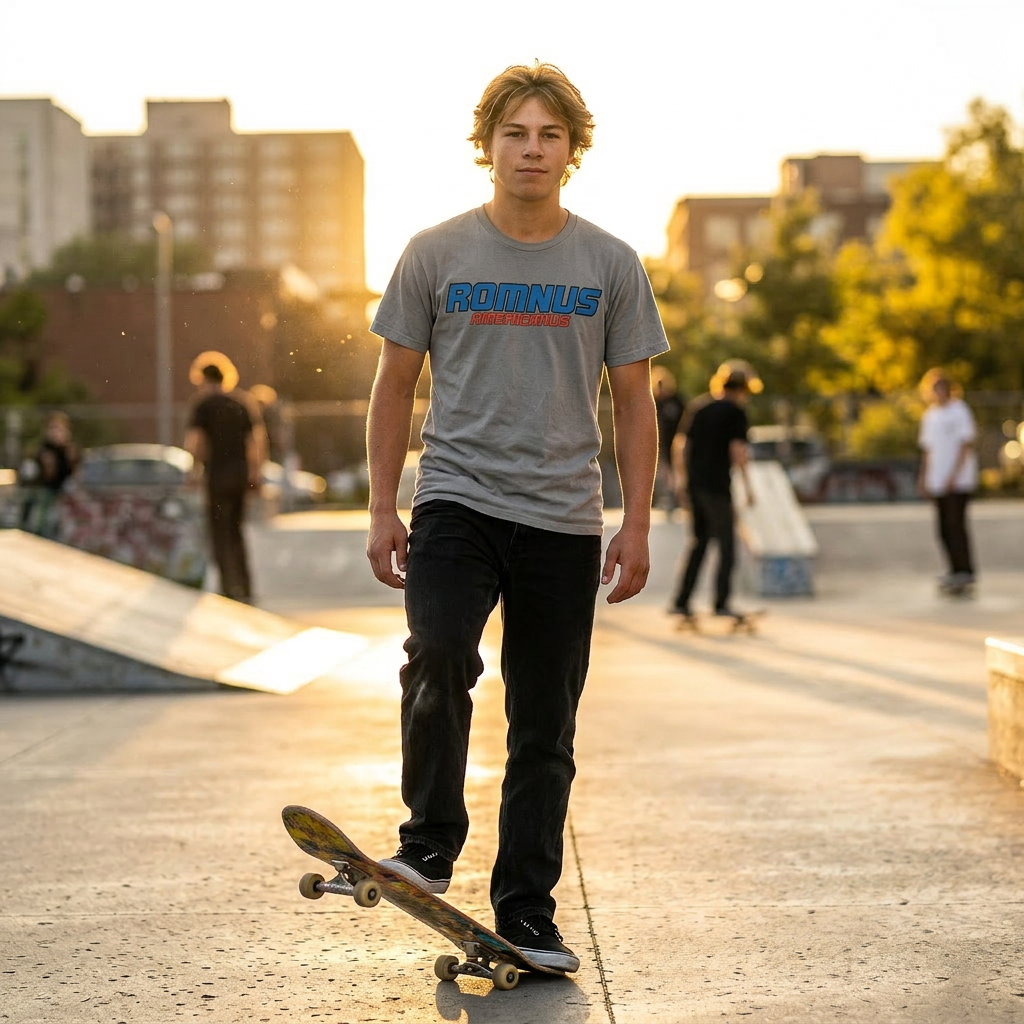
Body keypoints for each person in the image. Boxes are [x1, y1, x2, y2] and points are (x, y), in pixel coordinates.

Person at [364, 62, 668, 972]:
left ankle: (528, 912)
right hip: (455, 500)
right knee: (439, 652)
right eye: (515, 134)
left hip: (564, 521)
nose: (531, 150)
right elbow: (393, 384)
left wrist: (637, 521)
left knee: (544, 723)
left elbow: (636, 402)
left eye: (549, 135)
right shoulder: (434, 253)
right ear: (487, 145)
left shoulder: (610, 263)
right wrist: (382, 505)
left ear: (572, 151)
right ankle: (427, 845)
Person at [669, 366, 754, 622]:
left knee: (700, 542)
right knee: (727, 545)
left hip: (695, 485)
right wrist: (748, 487)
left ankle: (681, 602)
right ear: (742, 389)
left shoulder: (700, 407)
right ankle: (721, 603)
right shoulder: (736, 412)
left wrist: (681, 480)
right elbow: (737, 450)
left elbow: (682, 445)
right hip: (717, 487)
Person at [184, 362, 266, 602]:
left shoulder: (204, 405)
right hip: (240, 475)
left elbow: (196, 441)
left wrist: (193, 470)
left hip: (217, 476)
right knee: (236, 531)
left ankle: (228, 587)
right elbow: (256, 441)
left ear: (204, 379)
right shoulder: (241, 403)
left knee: (219, 531)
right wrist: (255, 473)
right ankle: (245, 587)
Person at [917, 368, 978, 589]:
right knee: (943, 528)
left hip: (958, 481)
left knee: (956, 525)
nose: (938, 392)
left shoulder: (960, 411)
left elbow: (966, 444)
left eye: (942, 388)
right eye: (935, 389)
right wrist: (924, 477)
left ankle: (965, 570)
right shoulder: (930, 415)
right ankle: (953, 569)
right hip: (938, 479)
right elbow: (927, 450)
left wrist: (954, 474)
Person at [20, 411, 79, 538]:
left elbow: (74, 468)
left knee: (59, 518)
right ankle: (38, 533)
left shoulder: (68, 449)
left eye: (59, 429)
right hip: (46, 487)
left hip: (63, 488)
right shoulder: (45, 448)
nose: (56, 433)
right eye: (53, 429)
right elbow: (43, 470)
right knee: (43, 516)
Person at [651, 366, 685, 512]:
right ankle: (670, 497)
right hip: (662, 442)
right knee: (665, 472)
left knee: (678, 471)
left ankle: (680, 498)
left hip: (676, 441)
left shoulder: (676, 401)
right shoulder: (656, 402)